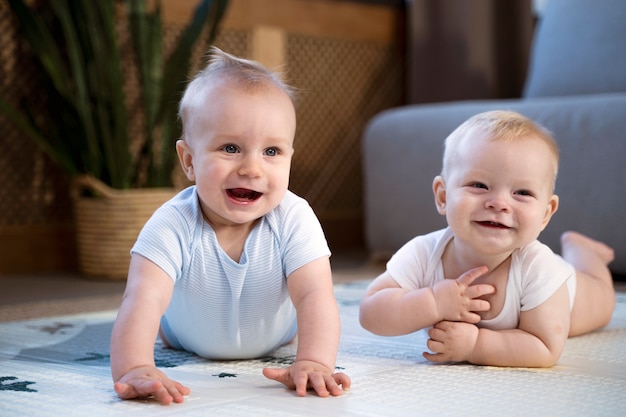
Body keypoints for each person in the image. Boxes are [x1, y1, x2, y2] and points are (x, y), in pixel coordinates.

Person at [110, 47, 350, 405]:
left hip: (277, 335)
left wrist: (314, 360)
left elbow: (315, 295)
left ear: (289, 159)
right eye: (231, 148)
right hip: (184, 336)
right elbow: (142, 297)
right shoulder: (172, 222)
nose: (252, 168)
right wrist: (135, 367)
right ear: (189, 161)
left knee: (310, 308)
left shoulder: (295, 217)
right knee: (153, 310)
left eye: (272, 152)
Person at [359, 110, 616, 368]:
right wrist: (432, 302)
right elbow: (371, 312)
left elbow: (544, 347)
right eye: (479, 185)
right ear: (443, 197)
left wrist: (475, 345)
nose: (499, 203)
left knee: (603, 301)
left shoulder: (538, 267)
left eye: (522, 192)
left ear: (545, 213)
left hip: (573, 296)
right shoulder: (424, 253)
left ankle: (585, 252)